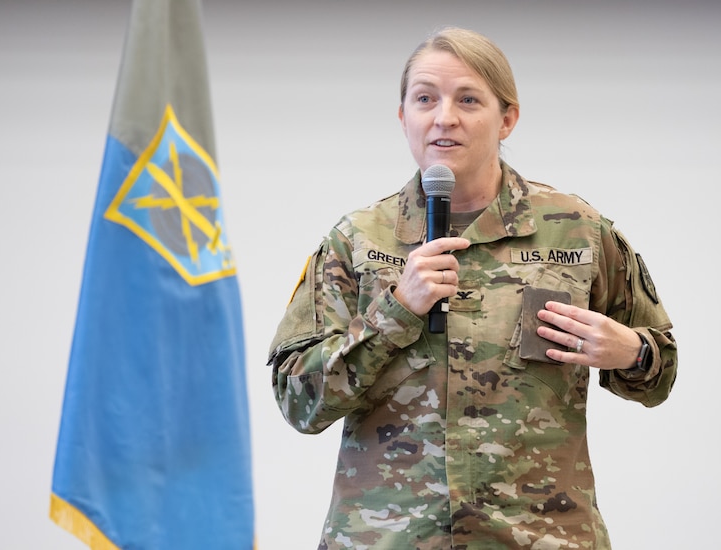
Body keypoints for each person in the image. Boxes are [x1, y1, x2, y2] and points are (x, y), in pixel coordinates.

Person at [268, 26, 677, 549]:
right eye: (424, 99)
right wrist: (396, 311)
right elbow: (298, 403)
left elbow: (660, 370)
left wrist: (631, 352)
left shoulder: (578, 229)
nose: (444, 118)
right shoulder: (356, 241)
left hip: (537, 536)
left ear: (507, 118)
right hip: (388, 538)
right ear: (403, 118)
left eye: (468, 99)